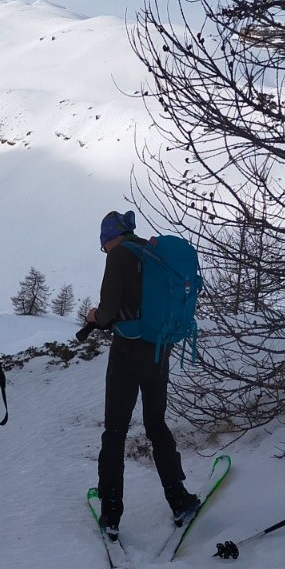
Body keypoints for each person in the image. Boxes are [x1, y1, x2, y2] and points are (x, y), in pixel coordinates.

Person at [85, 210, 199, 539]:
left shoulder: (119, 256)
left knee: (115, 431)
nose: (105, 250)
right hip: (158, 351)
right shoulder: (150, 253)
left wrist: (93, 316)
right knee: (156, 424)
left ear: (109, 239)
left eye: (104, 245)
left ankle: (111, 513)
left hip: (126, 353)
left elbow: (108, 313)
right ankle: (179, 500)